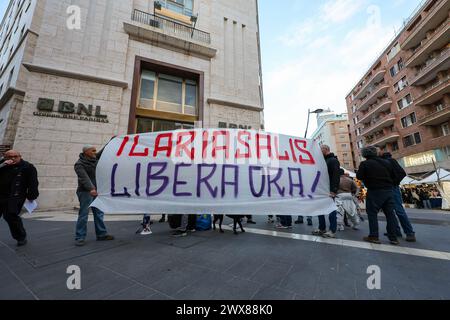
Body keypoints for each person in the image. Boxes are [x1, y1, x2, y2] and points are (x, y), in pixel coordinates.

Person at [357, 146, 400, 245]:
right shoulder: (387, 162)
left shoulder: (365, 164)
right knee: (390, 214)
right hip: (388, 190)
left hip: (374, 190)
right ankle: (393, 237)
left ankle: (374, 236)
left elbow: (359, 176)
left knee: (372, 214)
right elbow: (395, 175)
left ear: (365, 154)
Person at [74, 145, 114, 246]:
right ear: (86, 152)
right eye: (93, 151)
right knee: (84, 214)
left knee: (99, 213)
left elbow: (102, 152)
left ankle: (101, 234)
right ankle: (80, 237)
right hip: (85, 192)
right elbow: (84, 177)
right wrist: (91, 188)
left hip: (97, 192)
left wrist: (111, 142)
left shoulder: (94, 158)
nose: (95, 152)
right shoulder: (79, 164)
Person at [0, 150, 39, 246]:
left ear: (20, 156)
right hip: (1, 195)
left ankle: (21, 236)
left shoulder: (28, 167)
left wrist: (32, 196)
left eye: (15, 156)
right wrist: (2, 164)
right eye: (9, 157)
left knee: (10, 217)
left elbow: (33, 183)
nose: (12, 158)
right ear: (5, 157)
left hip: (15, 197)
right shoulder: (2, 165)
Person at [379, 150, 416, 242]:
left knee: (398, 210)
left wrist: (393, 183)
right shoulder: (382, 161)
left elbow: (401, 173)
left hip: (392, 188)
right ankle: (396, 231)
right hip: (387, 188)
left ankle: (409, 232)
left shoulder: (390, 160)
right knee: (390, 211)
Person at [312, 145, 340, 238]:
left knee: (331, 210)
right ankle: (322, 228)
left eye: (321, 150)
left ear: (326, 149)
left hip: (329, 190)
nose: (319, 152)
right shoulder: (324, 161)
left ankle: (332, 230)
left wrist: (333, 190)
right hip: (322, 190)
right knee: (320, 209)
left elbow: (336, 176)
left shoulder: (333, 160)